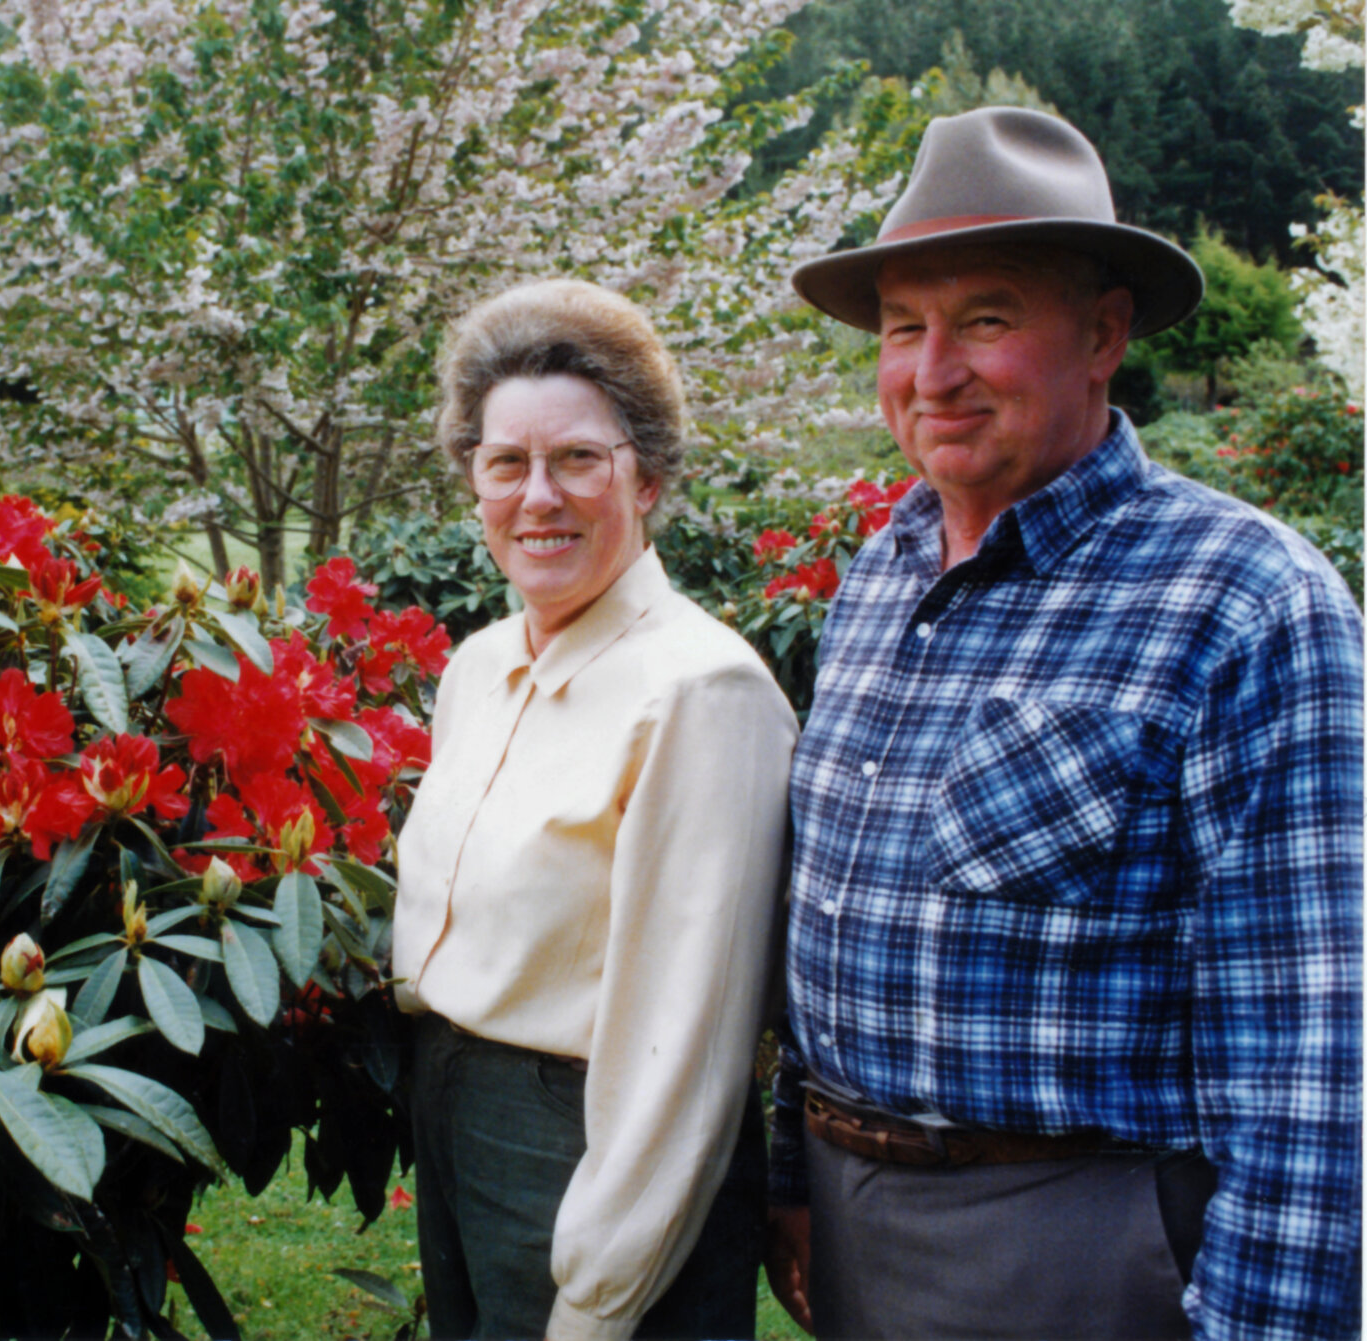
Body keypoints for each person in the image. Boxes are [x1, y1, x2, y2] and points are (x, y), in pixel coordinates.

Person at [766, 106, 1363, 1340]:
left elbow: (1314, 1055)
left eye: (983, 319)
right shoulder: (882, 571)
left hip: (1078, 1248)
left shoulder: (1244, 597)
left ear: (1100, 335)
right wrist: (794, 1179)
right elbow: (820, 912)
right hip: (853, 1221)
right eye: (900, 329)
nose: (931, 372)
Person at [393, 278, 798, 1341]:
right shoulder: (479, 667)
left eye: (579, 458)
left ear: (649, 475)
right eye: (504, 463)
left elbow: (689, 1035)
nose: (539, 496)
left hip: (587, 1148)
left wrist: (601, 1287)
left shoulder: (699, 692)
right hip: (456, 1112)